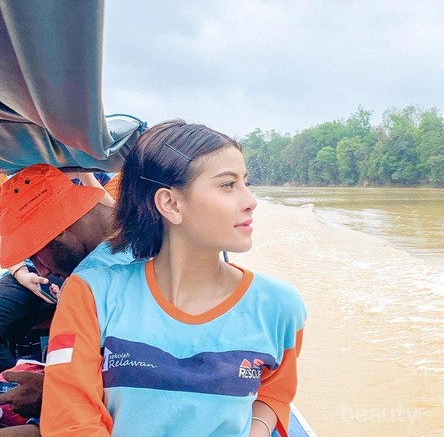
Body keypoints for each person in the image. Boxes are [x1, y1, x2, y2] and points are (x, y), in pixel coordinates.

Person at [40, 120, 307, 437]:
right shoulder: (92, 294)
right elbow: (70, 422)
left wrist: (256, 430)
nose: (251, 200)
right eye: (228, 185)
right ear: (171, 204)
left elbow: (274, 391)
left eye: (245, 182)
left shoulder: (279, 306)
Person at [0, 165, 132, 430]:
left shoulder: (87, 284)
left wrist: (50, 392)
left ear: (56, 227)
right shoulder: (147, 232)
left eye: (36, 253)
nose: (43, 270)